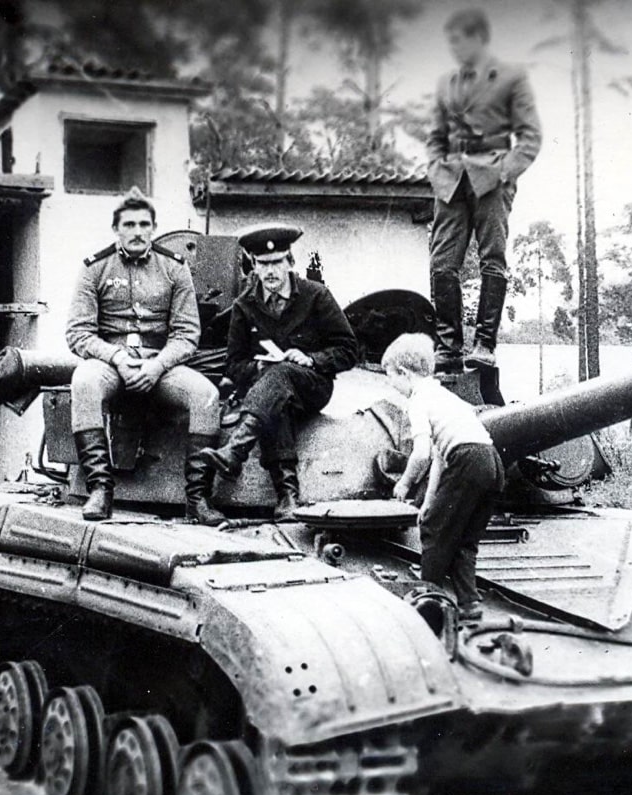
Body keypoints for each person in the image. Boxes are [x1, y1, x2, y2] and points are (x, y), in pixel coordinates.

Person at [65, 188, 224, 525]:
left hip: (160, 362)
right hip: (109, 362)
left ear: (153, 227)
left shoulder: (174, 268)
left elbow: (186, 334)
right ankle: (100, 489)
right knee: (84, 381)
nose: (137, 231)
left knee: (207, 395)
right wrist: (117, 358)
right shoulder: (95, 268)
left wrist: (157, 366)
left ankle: (198, 500)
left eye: (144, 224)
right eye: (129, 224)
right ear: (116, 228)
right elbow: (78, 333)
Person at [199, 223, 358, 522]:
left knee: (281, 375)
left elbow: (349, 350)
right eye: (262, 264)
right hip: (270, 393)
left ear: (290, 263)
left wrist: (311, 358)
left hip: (313, 386)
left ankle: (236, 450)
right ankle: (287, 496)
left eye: (276, 263)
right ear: (253, 267)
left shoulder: (316, 296)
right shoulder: (244, 305)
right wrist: (258, 366)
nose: (270, 271)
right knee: (275, 395)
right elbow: (233, 363)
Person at [426, 7, 542, 372]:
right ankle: (448, 348)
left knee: (493, 257)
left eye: (459, 41)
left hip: (492, 178)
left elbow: (530, 137)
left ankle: (485, 344)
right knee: (442, 262)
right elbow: (434, 137)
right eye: (451, 43)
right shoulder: (446, 83)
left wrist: (505, 173)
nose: (455, 49)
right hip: (451, 181)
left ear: (479, 38)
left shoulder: (511, 77)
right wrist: (436, 169)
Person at [383, 333, 505, 621]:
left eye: (389, 376)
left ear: (404, 373)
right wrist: (428, 500)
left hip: (467, 461)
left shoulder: (418, 400)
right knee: (463, 539)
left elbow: (422, 453)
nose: (390, 384)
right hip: (491, 463)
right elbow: (440, 456)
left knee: (434, 533)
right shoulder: (446, 397)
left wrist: (404, 483)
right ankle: (468, 604)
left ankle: (429, 602)